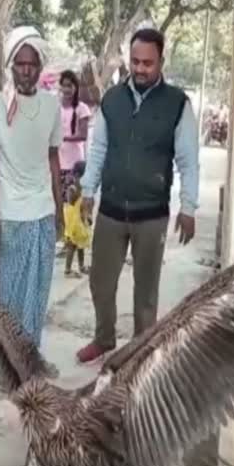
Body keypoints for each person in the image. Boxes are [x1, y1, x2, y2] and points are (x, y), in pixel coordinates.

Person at [75, 27, 200, 364]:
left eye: (148, 62)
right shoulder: (112, 100)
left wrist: (188, 207)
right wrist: (88, 191)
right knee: (101, 283)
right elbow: (98, 148)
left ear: (161, 61)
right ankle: (104, 339)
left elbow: (188, 159)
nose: (141, 69)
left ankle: (141, 353)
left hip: (152, 214)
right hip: (111, 211)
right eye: (135, 61)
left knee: (146, 293)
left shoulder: (177, 104)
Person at [0, 25, 62, 389]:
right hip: (10, 215)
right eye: (20, 64)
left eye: (32, 64)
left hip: (42, 212)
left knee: (38, 294)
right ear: (12, 67)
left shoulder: (53, 105)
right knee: (10, 298)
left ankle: (32, 362)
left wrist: (59, 210)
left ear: (40, 66)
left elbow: (55, 160)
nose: (26, 70)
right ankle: (8, 366)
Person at [57, 70, 91, 201]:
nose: (66, 89)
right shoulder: (55, 107)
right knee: (59, 204)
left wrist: (63, 138)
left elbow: (83, 135)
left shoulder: (82, 109)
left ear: (76, 87)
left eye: (70, 86)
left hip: (75, 165)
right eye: (64, 86)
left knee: (73, 204)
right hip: (58, 164)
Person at [62, 160, 91, 278]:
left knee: (81, 245)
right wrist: (78, 191)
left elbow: (85, 206)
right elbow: (71, 202)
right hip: (73, 222)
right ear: (77, 176)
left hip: (80, 221)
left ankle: (81, 266)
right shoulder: (72, 189)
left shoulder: (84, 189)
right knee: (71, 246)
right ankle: (67, 270)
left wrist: (87, 217)